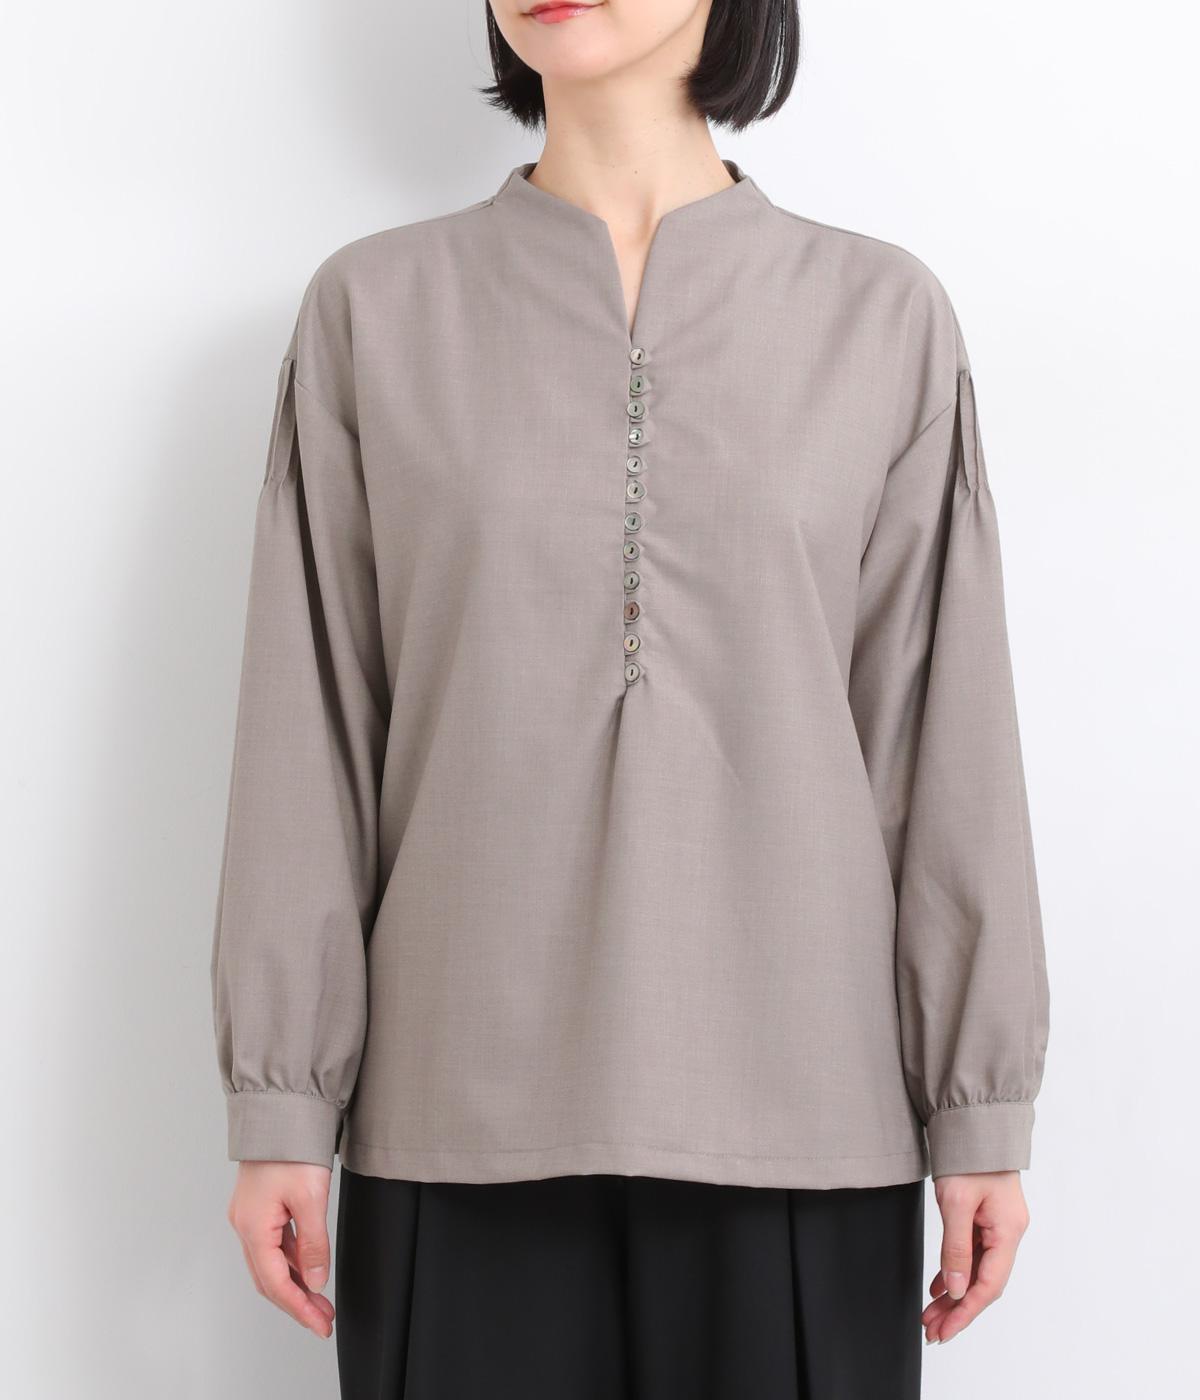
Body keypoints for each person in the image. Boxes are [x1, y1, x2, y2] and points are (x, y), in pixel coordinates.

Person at [210, 2, 1051, 1395]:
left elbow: (939, 737)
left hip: (806, 1130)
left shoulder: (880, 315)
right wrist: (280, 1100)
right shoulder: (375, 309)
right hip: (456, 1122)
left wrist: (980, 1108)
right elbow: (312, 727)